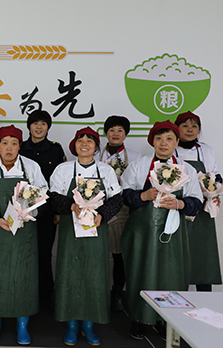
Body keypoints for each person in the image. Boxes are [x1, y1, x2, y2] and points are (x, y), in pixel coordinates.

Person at [120, 121, 202, 340]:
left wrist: (180, 204)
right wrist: (143, 196)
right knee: (140, 272)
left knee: (171, 275)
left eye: (169, 139)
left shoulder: (187, 169)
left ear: (176, 142)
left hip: (173, 234)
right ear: (152, 141)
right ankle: (139, 318)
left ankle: (166, 320)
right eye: (159, 138)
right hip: (142, 232)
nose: (163, 143)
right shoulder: (139, 165)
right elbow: (124, 195)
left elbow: (196, 201)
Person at [0, 125, 46, 345]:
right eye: (5, 143)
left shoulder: (31, 166)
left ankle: (22, 325)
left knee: (24, 276)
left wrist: (29, 212)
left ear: (20, 146)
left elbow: (44, 194)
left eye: (14, 143)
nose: (9, 148)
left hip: (25, 233)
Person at [49, 127, 123, 346]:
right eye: (80, 139)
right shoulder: (63, 169)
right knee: (69, 274)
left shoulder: (106, 170)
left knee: (94, 274)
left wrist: (102, 215)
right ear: (74, 145)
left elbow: (117, 199)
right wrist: (71, 206)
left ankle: (89, 326)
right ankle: (71, 326)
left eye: (90, 140)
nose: (84, 143)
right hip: (69, 231)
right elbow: (53, 197)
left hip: (96, 231)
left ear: (96, 147)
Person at [19, 109, 66, 311]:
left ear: (48, 127)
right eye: (35, 123)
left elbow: (60, 183)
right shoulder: (20, 148)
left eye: (43, 124)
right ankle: (24, 292)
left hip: (47, 212)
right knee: (23, 253)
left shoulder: (56, 150)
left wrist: (57, 211)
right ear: (29, 126)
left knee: (44, 253)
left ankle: (45, 297)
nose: (39, 127)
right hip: (22, 211)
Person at [96, 115, 141, 312]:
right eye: (112, 130)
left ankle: (117, 292)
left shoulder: (135, 157)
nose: (115, 134)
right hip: (96, 208)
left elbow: (138, 184)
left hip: (122, 209)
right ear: (106, 132)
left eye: (120, 130)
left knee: (118, 253)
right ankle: (98, 290)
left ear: (126, 134)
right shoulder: (95, 154)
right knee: (98, 251)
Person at [174, 111, 222, 292]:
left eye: (194, 126)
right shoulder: (171, 148)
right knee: (179, 252)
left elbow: (215, 175)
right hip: (179, 207)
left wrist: (214, 191)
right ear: (177, 129)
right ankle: (178, 295)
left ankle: (205, 296)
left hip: (202, 210)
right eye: (185, 125)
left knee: (203, 252)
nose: (190, 129)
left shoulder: (206, 150)